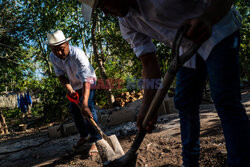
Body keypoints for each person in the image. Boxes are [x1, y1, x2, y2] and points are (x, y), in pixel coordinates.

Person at [79, 0, 250, 166]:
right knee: (184, 102)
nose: (106, 13)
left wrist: (208, 17)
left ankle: (240, 162)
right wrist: (147, 109)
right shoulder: (126, 23)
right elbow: (149, 63)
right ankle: (190, 162)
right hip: (186, 47)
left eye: (104, 4)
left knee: (224, 99)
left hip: (217, 27)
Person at [46, 30, 100, 157]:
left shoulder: (78, 54)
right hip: (74, 85)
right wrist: (69, 89)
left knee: (88, 107)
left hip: (89, 82)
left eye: (61, 49)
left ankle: (96, 139)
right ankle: (84, 135)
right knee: (75, 110)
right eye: (55, 50)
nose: (59, 53)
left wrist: (85, 103)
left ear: (67, 44)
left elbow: (86, 79)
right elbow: (61, 76)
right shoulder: (53, 57)